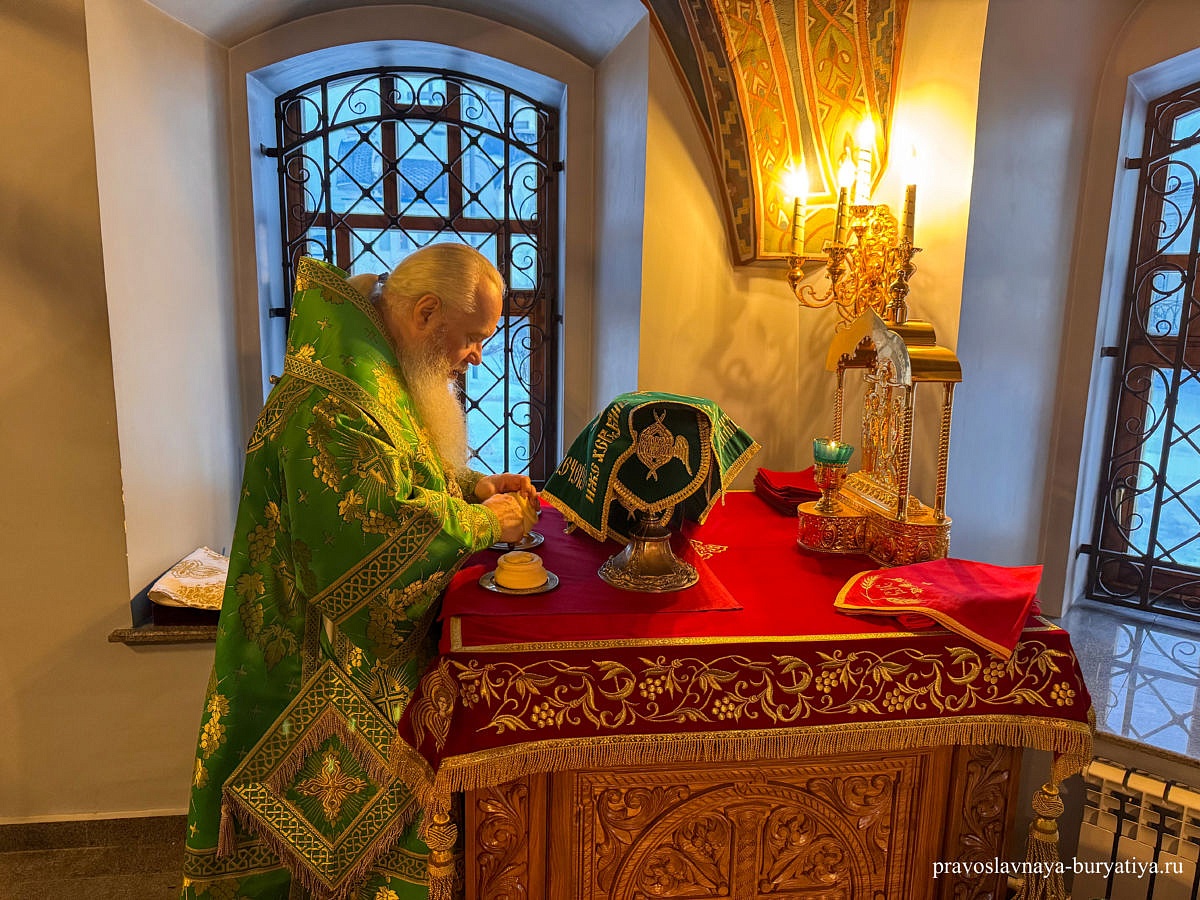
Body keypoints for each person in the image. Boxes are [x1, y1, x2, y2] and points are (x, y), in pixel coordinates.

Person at [181, 245, 534, 899]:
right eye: (474, 337)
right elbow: (366, 535)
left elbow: (400, 472)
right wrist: (487, 524)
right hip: (309, 658)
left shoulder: (374, 364)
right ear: (425, 313)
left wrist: (472, 488)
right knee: (314, 861)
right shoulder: (333, 399)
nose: (478, 357)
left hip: (345, 657)